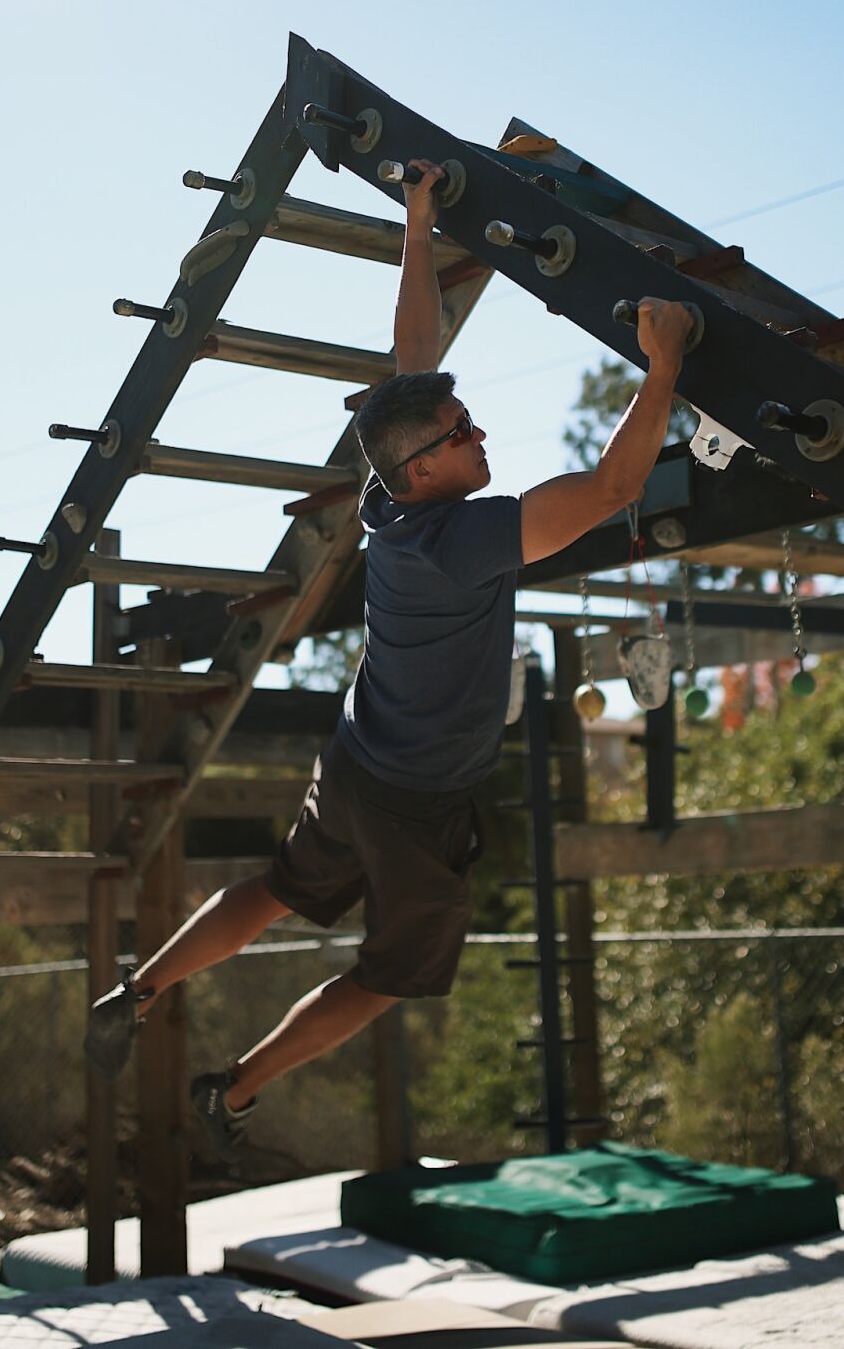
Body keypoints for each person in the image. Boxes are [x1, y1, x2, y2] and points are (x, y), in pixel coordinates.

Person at [85, 161, 695, 1160]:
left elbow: (413, 357)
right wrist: (661, 365)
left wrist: (417, 224)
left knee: (282, 884)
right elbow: (613, 483)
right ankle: (234, 1088)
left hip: (356, 765)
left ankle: (140, 984)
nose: (479, 431)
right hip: (415, 803)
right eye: (463, 432)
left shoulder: (387, 502)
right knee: (388, 973)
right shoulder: (464, 538)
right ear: (425, 465)